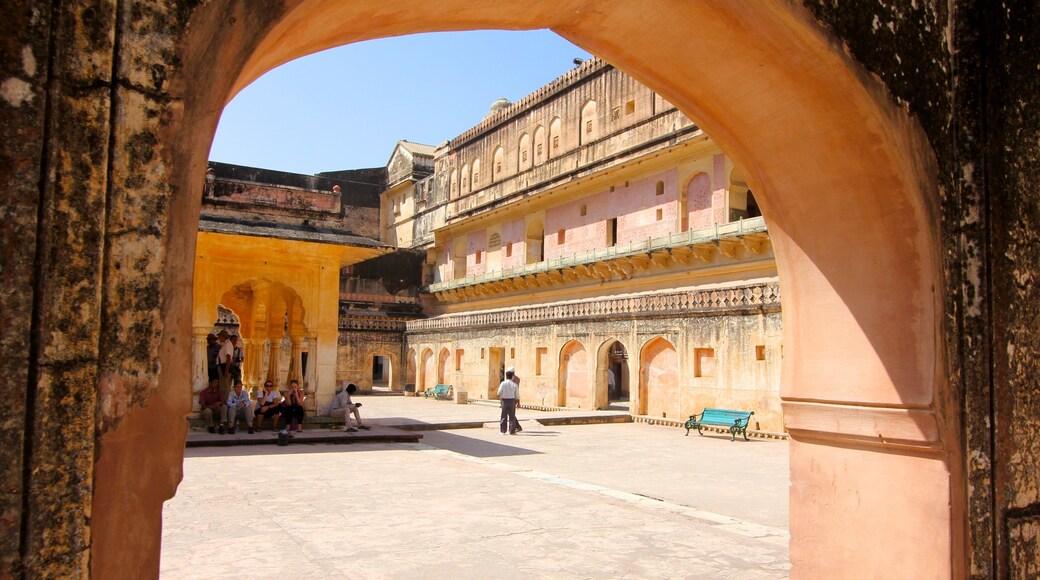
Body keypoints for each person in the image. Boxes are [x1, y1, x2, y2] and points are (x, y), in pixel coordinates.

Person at [497, 367, 522, 435]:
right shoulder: (514, 384)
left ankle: (502, 431)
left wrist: (501, 398)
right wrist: (518, 403)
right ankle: (512, 431)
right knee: (512, 416)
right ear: (512, 376)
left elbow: (499, 392)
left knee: (503, 416)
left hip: (504, 400)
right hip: (512, 401)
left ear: (506, 376)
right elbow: (517, 395)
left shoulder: (503, 383)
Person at [215, 330, 234, 399]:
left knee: (225, 386)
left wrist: (226, 370)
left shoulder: (227, 344)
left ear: (223, 337)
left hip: (224, 367)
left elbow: (228, 357)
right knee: (223, 386)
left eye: (219, 336)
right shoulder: (226, 344)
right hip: (222, 366)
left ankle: (226, 401)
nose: (219, 338)